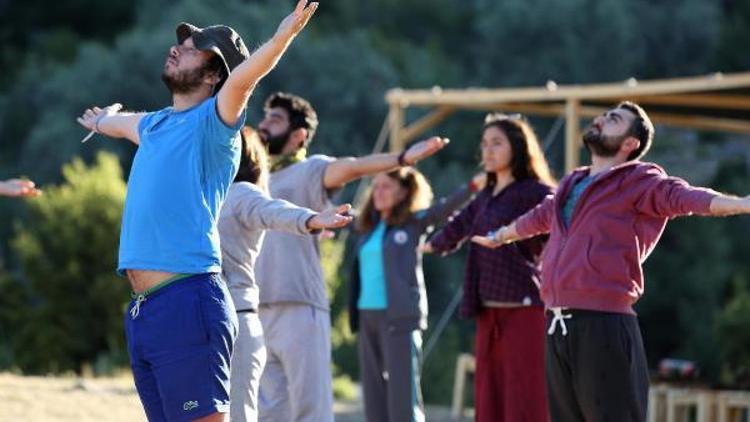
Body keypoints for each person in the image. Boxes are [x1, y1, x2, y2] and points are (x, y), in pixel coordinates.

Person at [75, 2, 318, 420]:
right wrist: (102, 122)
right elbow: (124, 123)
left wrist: (281, 39)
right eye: (180, 43)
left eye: (192, 49)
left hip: (188, 301)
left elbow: (246, 77)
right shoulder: (155, 125)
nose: (177, 49)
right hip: (145, 310)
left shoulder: (215, 122)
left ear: (211, 75)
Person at [472, 101, 750, 422]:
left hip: (602, 323)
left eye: (614, 119)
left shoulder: (640, 181)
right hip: (556, 323)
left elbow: (685, 198)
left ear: (629, 144)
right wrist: (501, 235)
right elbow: (539, 217)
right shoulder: (570, 184)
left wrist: (742, 203)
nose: (602, 120)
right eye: (605, 115)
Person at [253, 91, 449, 422]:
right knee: (269, 414)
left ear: (299, 135)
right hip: (257, 308)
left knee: (310, 411)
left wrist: (402, 158)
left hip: (300, 306)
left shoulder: (311, 171)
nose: (264, 124)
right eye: (265, 116)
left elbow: (354, 167)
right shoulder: (254, 177)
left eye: (275, 119)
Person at [422, 113, 555, 422]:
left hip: (525, 311)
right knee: (488, 399)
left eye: (497, 143)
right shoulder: (485, 195)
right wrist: (429, 245)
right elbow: (460, 225)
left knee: (525, 400)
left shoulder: (535, 191)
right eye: (484, 144)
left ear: (519, 147)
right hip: (487, 311)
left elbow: (561, 227)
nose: (488, 151)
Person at [219, 127, 351, 422]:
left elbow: (274, 210)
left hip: (239, 321)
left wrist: (312, 218)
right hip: (205, 322)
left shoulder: (243, 193)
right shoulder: (205, 196)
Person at [349, 167, 483, 422]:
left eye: (386, 186)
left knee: (402, 393)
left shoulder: (413, 223)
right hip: (366, 317)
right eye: (375, 186)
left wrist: (473, 186)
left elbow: (443, 209)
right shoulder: (366, 227)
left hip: (399, 316)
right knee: (373, 392)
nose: (378, 192)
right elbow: (339, 218)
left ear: (403, 192)